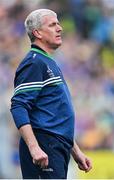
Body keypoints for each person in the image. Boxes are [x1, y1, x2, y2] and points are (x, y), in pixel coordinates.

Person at [10, 9, 92, 179]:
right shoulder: (34, 63)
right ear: (37, 32)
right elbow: (18, 106)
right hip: (44, 146)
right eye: (53, 24)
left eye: (58, 23)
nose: (60, 28)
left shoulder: (48, 62)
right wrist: (34, 148)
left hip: (56, 147)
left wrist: (75, 151)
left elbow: (56, 114)